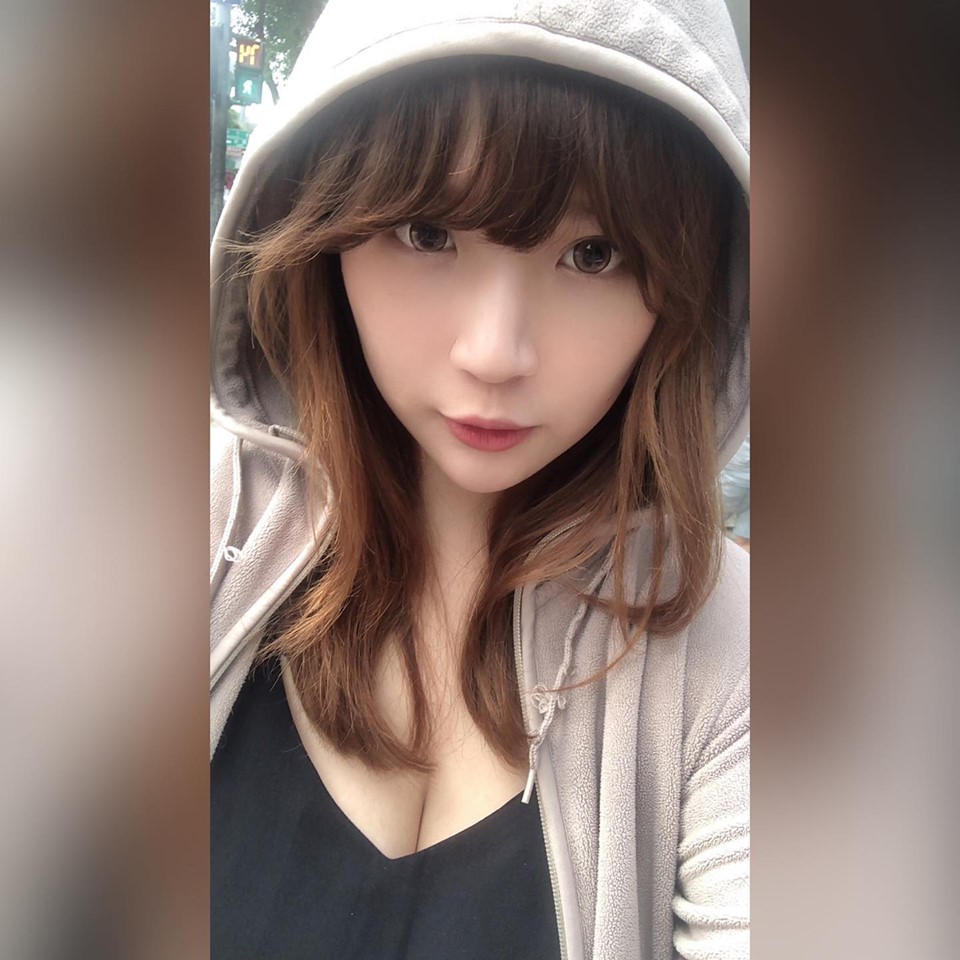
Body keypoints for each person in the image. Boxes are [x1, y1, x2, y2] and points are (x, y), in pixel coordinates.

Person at [209, 1, 749, 958]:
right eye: (426, 231)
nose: (495, 353)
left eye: (594, 254)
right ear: (322, 226)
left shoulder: (738, 655)